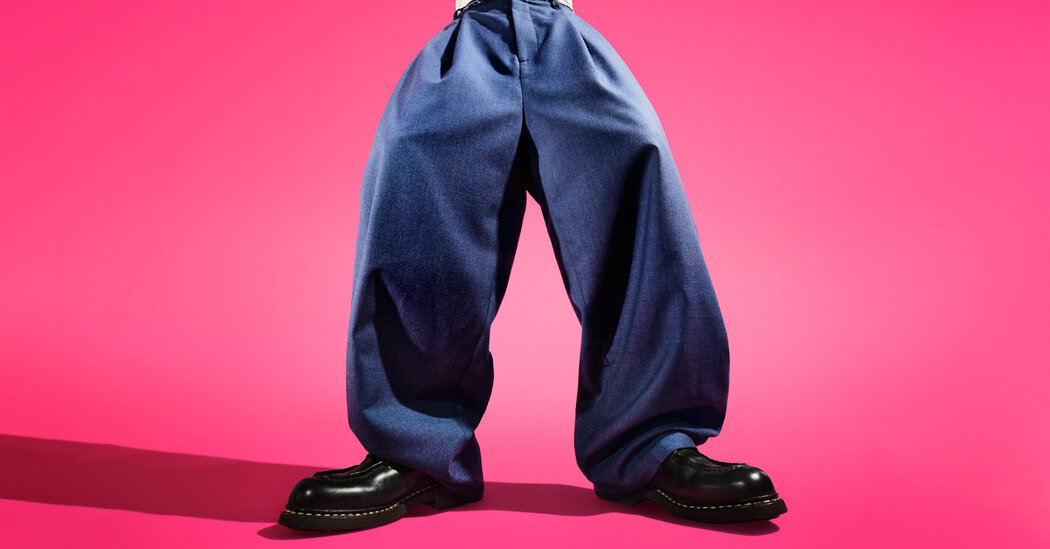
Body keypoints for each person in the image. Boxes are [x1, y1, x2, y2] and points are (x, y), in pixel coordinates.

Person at [278, 0, 786, 531]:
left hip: (561, 29)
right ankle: (413, 448)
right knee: (416, 193)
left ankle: (652, 444)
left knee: (639, 179)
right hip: (470, 29)